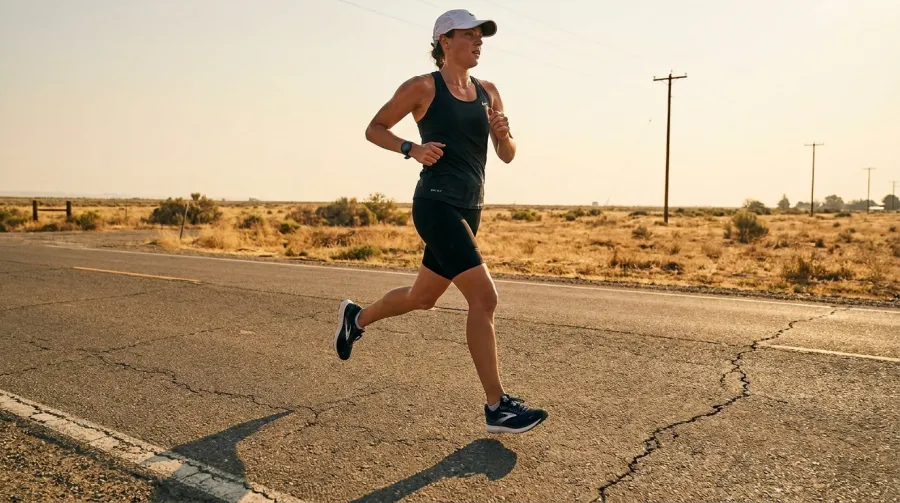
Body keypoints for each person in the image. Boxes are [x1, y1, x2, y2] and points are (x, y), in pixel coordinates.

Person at [333, 9, 548, 434]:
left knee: (423, 297)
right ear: (444, 41)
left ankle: (355, 319)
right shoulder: (423, 87)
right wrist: (411, 149)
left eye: (481, 35)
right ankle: (497, 407)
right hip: (435, 204)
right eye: (469, 34)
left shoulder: (489, 92)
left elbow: (507, 155)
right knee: (484, 299)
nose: (478, 41)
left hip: (470, 208)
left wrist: (503, 133)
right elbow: (375, 128)